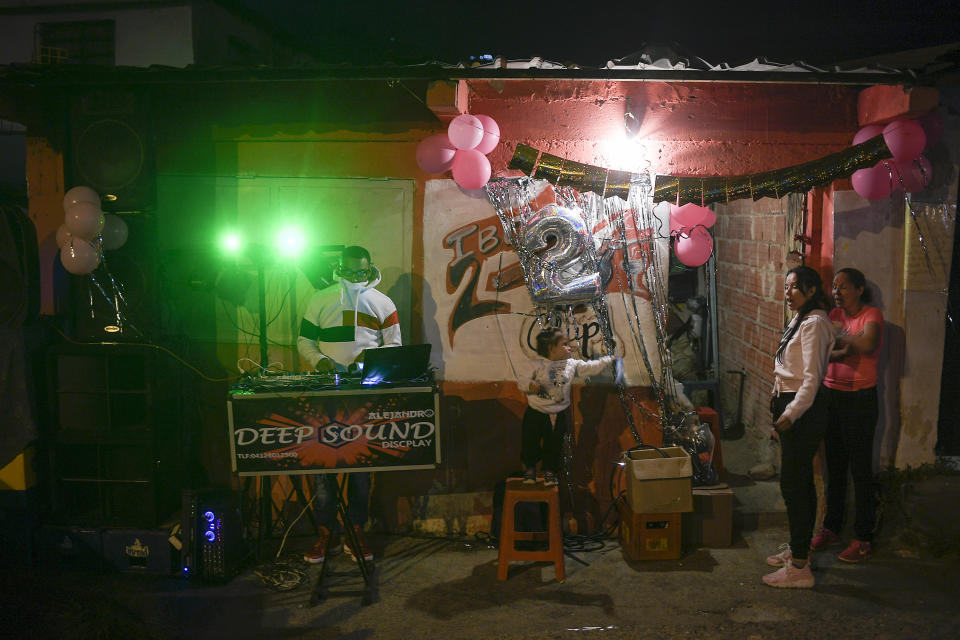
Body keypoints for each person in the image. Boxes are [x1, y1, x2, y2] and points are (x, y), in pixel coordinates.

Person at [297, 245, 401, 564]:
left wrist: (366, 367)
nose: (356, 276)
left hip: (363, 395)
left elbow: (393, 346)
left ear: (370, 268)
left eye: (362, 271)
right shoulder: (319, 299)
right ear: (338, 267)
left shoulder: (383, 303)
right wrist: (321, 363)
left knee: (359, 467)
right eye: (350, 270)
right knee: (322, 465)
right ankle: (325, 532)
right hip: (325, 392)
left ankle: (355, 529)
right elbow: (305, 341)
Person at [764, 265, 835, 588]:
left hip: (803, 410)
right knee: (797, 483)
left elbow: (811, 380)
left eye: (794, 287)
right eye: (786, 286)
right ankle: (797, 548)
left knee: (794, 486)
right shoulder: (801, 319)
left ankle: (800, 567)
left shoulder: (816, 323)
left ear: (811, 290)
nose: (787, 293)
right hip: (789, 404)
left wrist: (790, 414)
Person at [811, 268, 883, 563]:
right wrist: (837, 348)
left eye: (843, 287)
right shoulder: (835, 317)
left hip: (860, 399)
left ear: (860, 289)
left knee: (860, 467)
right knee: (835, 466)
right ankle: (832, 528)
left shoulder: (872, 316)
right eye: (835, 287)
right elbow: (823, 350)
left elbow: (868, 344)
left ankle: (863, 537)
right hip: (833, 395)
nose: (836, 292)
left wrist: (842, 344)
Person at [520, 329, 617, 486]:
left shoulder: (571, 364)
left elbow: (591, 367)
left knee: (555, 443)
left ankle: (550, 471)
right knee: (530, 440)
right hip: (536, 411)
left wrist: (610, 358)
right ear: (551, 349)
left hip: (559, 413)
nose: (569, 347)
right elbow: (522, 380)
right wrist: (531, 385)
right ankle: (530, 469)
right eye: (564, 344)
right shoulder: (537, 365)